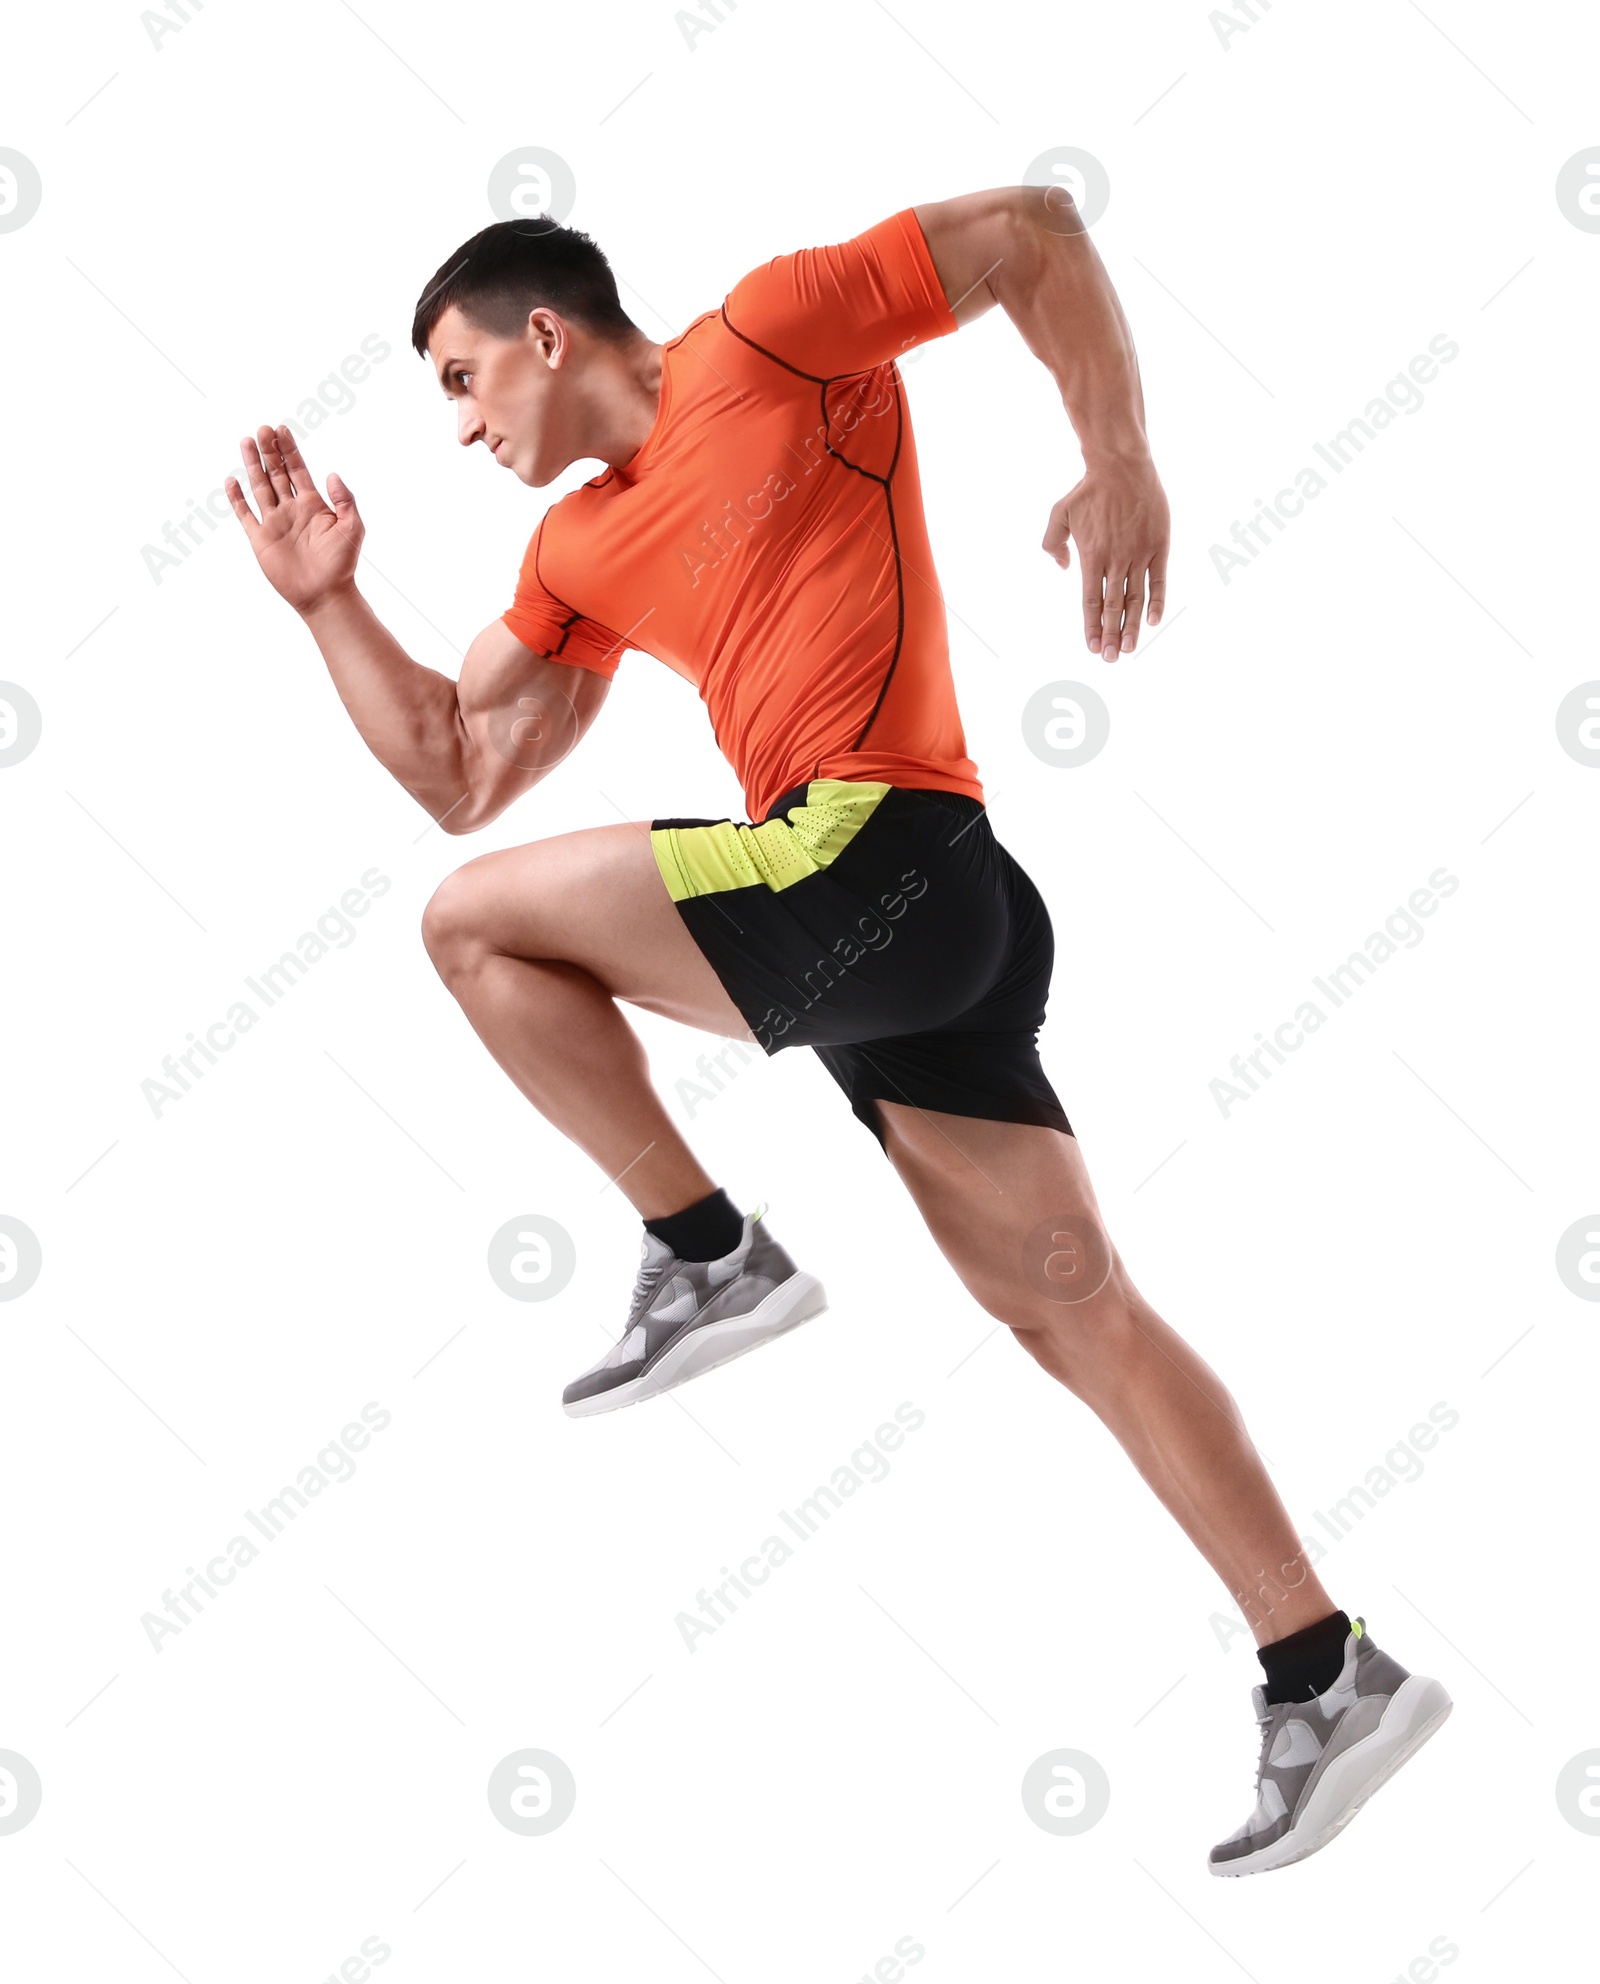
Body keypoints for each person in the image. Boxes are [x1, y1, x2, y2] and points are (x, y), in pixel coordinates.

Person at [225, 183, 1450, 1873]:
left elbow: (1034, 230)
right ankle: (1326, 1668)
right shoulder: (575, 549)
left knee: (469, 931)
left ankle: (708, 1247)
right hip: (923, 938)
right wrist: (323, 606)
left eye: (457, 377)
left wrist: (1121, 455)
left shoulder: (772, 334)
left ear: (546, 332)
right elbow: (453, 765)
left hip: (877, 853)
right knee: (1074, 1314)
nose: (454, 424)